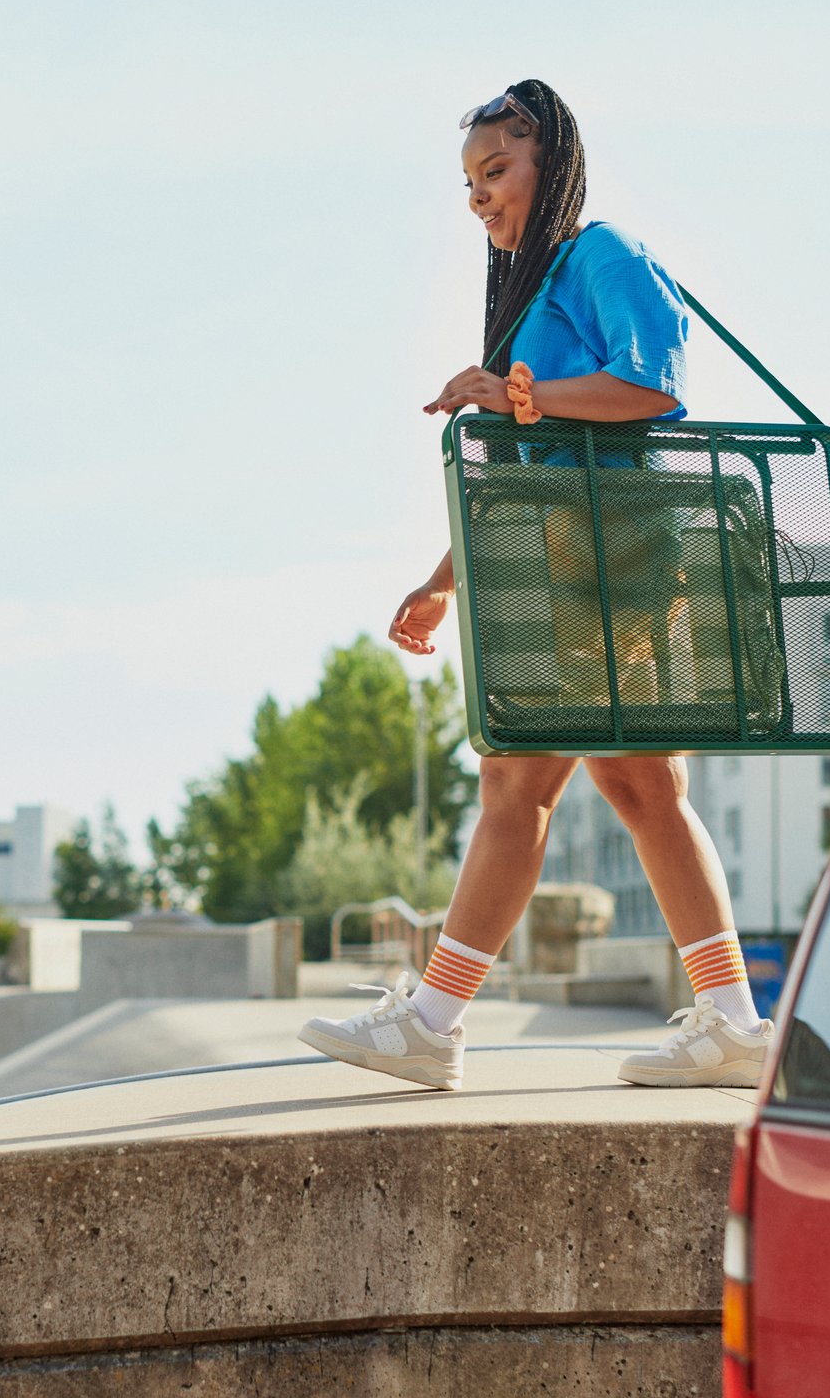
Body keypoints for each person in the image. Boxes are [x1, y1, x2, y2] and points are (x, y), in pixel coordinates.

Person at [300, 80, 772, 1093]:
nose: (477, 196)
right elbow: (530, 469)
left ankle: (432, 1019)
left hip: (618, 565)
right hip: (581, 565)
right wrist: (440, 583)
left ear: (550, 158)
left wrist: (510, 391)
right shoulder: (532, 289)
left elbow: (648, 386)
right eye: (467, 181)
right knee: (635, 785)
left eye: (496, 169)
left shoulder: (601, 254)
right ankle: (730, 1020)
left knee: (528, 780)